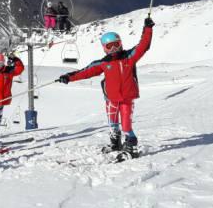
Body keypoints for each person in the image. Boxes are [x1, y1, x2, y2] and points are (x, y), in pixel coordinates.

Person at [58, 17, 155, 158]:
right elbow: (85, 72)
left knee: (126, 126)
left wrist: (148, 29)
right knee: (113, 123)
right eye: (110, 46)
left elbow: (144, 45)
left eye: (116, 44)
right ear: (104, 48)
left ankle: (131, 148)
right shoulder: (103, 63)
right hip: (111, 99)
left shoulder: (129, 57)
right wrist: (68, 77)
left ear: (121, 44)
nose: (114, 48)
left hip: (127, 99)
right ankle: (115, 143)